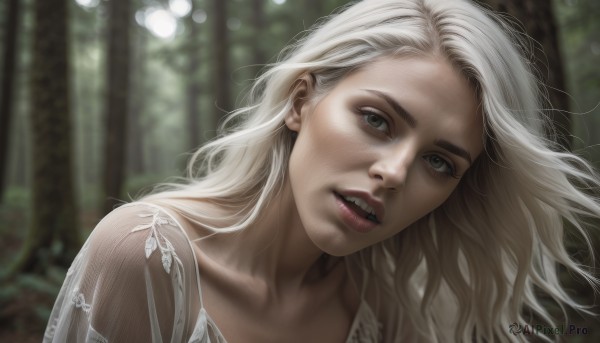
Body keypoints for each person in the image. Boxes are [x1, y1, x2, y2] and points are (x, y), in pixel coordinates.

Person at [44, 0, 600, 342]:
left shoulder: (391, 307)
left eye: (439, 161)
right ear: (300, 101)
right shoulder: (143, 259)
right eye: (377, 120)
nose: (395, 172)